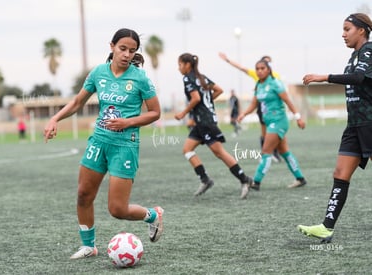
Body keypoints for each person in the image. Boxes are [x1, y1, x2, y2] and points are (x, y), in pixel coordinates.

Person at [43, 28, 164, 259]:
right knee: (83, 194)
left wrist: (127, 122)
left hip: (124, 145)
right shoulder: (98, 72)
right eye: (122, 49)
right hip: (98, 141)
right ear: (112, 46)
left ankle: (153, 214)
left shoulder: (140, 78)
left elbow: (155, 112)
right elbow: (78, 102)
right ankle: (89, 246)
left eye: (132, 50)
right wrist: (55, 118)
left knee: (117, 209)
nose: (127, 54)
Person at [297, 13, 372, 243]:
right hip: (354, 126)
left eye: (347, 29)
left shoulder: (369, 52)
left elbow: (359, 78)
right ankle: (326, 227)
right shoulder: (353, 56)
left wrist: (324, 77)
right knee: (340, 174)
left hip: (370, 124)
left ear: (362, 30)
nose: (343, 34)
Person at [175, 53, 253, 199]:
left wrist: (184, 113)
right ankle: (205, 180)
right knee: (187, 149)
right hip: (203, 121)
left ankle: (245, 180)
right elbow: (219, 90)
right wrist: (207, 104)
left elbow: (196, 98)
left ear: (187, 65)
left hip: (205, 122)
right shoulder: (201, 77)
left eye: (179, 64)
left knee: (220, 153)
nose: (178, 68)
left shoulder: (187, 78)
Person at [237, 59, 307, 191]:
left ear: (269, 70)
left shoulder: (275, 84)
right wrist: (243, 114)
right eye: (257, 69)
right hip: (269, 122)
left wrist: (298, 118)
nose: (259, 71)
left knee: (266, 151)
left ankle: (256, 182)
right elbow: (253, 104)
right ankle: (300, 178)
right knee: (284, 151)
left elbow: (288, 101)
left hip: (278, 121)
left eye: (262, 68)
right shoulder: (259, 85)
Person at [219, 52, 282, 162]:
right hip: (262, 107)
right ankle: (266, 154)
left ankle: (276, 153)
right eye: (264, 62)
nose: (263, 68)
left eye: (268, 63)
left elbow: (281, 93)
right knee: (264, 132)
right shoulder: (256, 74)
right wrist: (227, 60)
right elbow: (241, 68)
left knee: (276, 132)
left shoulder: (276, 76)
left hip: (274, 109)